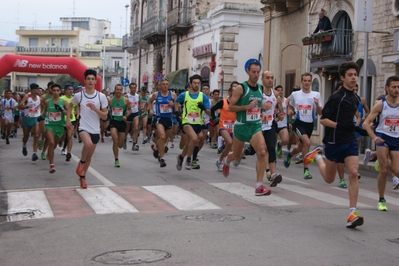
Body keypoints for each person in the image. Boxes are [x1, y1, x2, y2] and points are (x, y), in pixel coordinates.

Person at [304, 61, 364, 228]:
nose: (353, 78)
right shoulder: (337, 97)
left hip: (350, 141)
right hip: (333, 142)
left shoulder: (355, 97)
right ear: (343, 77)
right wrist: (339, 125)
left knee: (353, 173)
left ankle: (352, 212)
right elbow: (323, 119)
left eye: (355, 75)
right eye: (350, 75)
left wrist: (360, 127)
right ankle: (317, 156)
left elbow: (352, 117)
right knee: (329, 179)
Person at [221, 61, 273, 196]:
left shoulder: (261, 89)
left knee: (262, 152)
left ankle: (259, 186)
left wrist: (261, 112)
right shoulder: (241, 88)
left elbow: (257, 105)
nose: (256, 75)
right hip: (241, 127)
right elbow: (231, 107)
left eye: (258, 72)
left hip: (255, 126)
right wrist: (247, 107)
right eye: (253, 72)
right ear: (248, 72)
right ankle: (227, 161)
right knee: (236, 155)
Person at [363, 76, 399, 211]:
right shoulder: (381, 104)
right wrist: (374, 137)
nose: (397, 90)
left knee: (396, 170)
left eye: (398, 87)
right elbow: (366, 123)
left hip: (396, 138)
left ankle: (378, 160)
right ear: (387, 88)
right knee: (384, 170)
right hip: (382, 137)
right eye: (394, 87)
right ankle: (381, 199)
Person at [68, 69, 108, 189]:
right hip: (83, 127)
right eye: (88, 79)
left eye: (92, 79)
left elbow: (105, 116)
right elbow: (70, 105)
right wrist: (68, 120)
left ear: (95, 81)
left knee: (89, 156)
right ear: (84, 80)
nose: (90, 81)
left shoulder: (101, 97)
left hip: (95, 129)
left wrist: (95, 109)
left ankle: (83, 177)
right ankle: (81, 163)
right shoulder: (79, 95)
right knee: (88, 144)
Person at [284, 73, 322, 179]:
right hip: (299, 123)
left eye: (309, 81)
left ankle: (290, 155)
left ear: (311, 82)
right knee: (307, 142)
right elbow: (288, 102)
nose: (307, 83)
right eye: (305, 80)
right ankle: (306, 170)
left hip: (309, 125)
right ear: (301, 82)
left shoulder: (316, 95)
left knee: (300, 147)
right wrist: (290, 110)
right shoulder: (296, 94)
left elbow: (320, 113)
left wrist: (317, 104)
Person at [175, 74, 210, 170]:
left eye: (198, 83)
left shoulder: (203, 97)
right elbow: (176, 102)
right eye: (194, 83)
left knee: (194, 141)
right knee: (194, 139)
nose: (196, 85)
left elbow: (209, 112)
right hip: (186, 122)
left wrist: (203, 108)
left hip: (197, 122)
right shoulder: (184, 95)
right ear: (190, 84)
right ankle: (189, 160)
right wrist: (177, 111)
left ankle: (181, 157)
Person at [41, 83, 70, 173]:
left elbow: (70, 114)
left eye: (57, 90)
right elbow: (45, 111)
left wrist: (61, 109)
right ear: (51, 91)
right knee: (51, 142)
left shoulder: (64, 102)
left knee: (54, 144)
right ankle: (52, 165)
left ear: (60, 91)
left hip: (60, 126)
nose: (56, 92)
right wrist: (40, 117)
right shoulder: (47, 102)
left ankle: (49, 153)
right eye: (54, 90)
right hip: (50, 125)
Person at [148, 78, 177, 167]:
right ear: (160, 86)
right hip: (159, 118)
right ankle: (162, 158)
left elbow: (177, 105)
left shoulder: (173, 95)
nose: (165, 85)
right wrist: (151, 110)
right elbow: (149, 102)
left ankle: (156, 147)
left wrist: (173, 105)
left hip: (169, 119)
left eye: (166, 84)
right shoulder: (156, 94)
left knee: (164, 140)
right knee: (162, 136)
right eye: (163, 84)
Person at [212, 83, 236, 172]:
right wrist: (215, 119)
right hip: (223, 126)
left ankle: (219, 161)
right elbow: (212, 109)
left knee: (230, 147)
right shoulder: (223, 102)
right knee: (229, 142)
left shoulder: (238, 103)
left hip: (233, 127)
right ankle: (223, 159)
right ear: (229, 92)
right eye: (234, 91)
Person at [108, 84, 131, 167]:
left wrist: (126, 116)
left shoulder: (125, 100)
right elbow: (106, 110)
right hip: (113, 122)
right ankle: (116, 159)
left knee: (120, 145)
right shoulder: (110, 100)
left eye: (120, 90)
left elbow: (130, 110)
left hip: (122, 122)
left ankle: (123, 141)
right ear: (115, 90)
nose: (118, 91)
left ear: (122, 91)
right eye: (117, 89)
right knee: (115, 139)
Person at [19, 83, 42, 161]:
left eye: (37, 90)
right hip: (27, 118)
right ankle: (24, 145)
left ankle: (34, 153)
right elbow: (20, 105)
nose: (37, 91)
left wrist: (42, 114)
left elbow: (44, 106)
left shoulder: (39, 98)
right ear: (31, 90)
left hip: (36, 118)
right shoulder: (27, 97)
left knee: (36, 135)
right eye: (35, 90)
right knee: (26, 136)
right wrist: (26, 106)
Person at [60, 84, 78, 161]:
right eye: (69, 89)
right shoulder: (61, 99)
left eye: (72, 89)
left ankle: (68, 152)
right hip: (62, 120)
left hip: (72, 119)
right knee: (62, 137)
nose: (71, 91)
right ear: (65, 91)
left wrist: (77, 114)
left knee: (69, 136)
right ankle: (61, 142)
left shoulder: (75, 99)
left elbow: (76, 108)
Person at [125, 83, 141, 151]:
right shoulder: (126, 96)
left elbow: (139, 104)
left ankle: (134, 144)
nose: (133, 89)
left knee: (136, 128)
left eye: (134, 88)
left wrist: (142, 111)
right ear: (130, 88)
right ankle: (124, 140)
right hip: (128, 114)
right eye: (132, 88)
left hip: (135, 113)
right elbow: (123, 104)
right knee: (126, 130)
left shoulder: (138, 96)